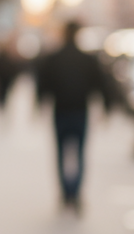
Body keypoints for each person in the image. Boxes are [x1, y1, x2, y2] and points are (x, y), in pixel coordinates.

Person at [36, 20, 110, 211]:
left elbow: (43, 85)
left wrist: (39, 105)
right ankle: (75, 192)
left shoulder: (54, 58)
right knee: (79, 153)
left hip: (60, 111)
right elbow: (101, 85)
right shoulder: (87, 59)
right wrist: (106, 108)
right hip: (79, 112)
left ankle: (65, 193)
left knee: (61, 153)